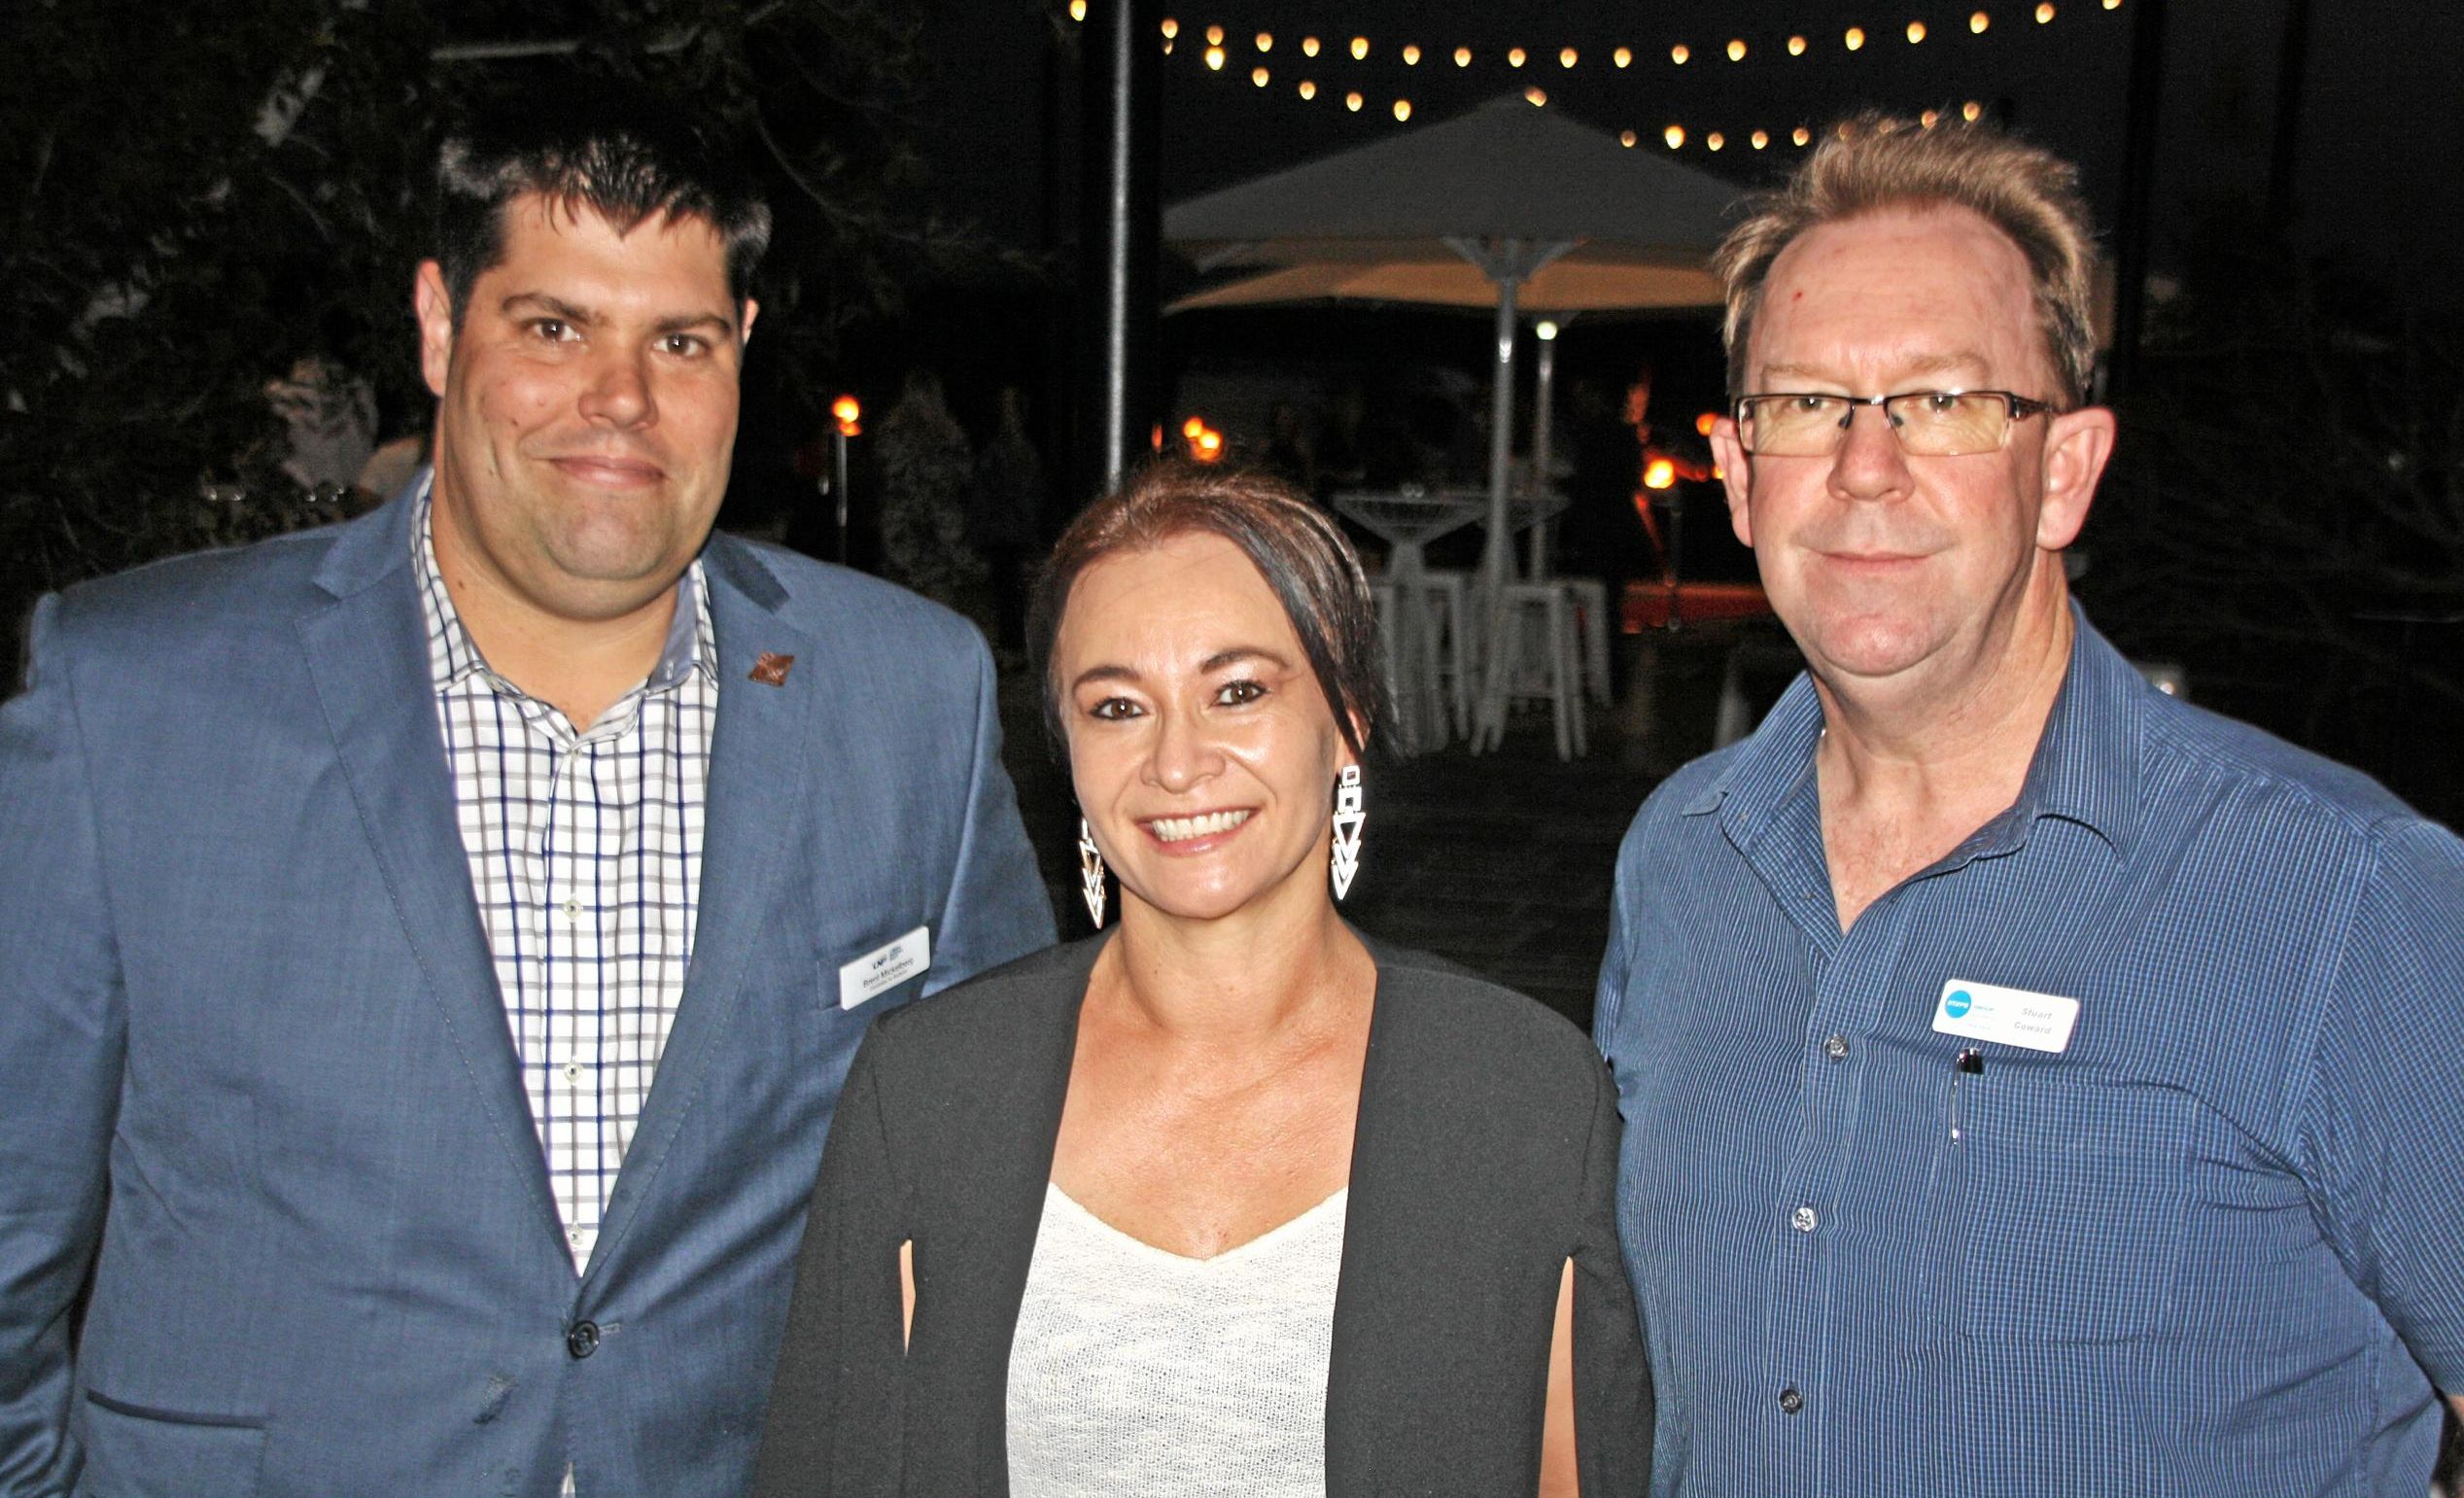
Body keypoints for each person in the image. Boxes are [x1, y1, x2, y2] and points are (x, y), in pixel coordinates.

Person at [0, 95, 1054, 1497]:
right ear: (440, 327)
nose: (619, 399)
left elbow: (996, 1183)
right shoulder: (134, 697)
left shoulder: (906, 696)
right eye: (553, 327)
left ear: (740, 352)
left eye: (677, 341)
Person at [1594, 113, 2464, 1493]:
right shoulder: (1680, 862)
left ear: (2062, 468)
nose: (1861, 468)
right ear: (1735, 473)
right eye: (1806, 404)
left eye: (1942, 403)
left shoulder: (2344, 897)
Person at [752, 465, 1651, 1497]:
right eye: (1119, 705)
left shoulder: (1521, 1094)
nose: (1178, 761)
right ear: (1069, 749)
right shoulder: (928, 1090)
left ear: (1348, 714)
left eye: (1237, 690)